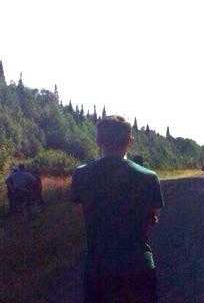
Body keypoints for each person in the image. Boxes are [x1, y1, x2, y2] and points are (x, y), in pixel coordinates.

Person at [72, 115, 164, 303]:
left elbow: (81, 212)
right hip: (138, 267)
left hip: (98, 270)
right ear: (130, 141)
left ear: (99, 141)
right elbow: (151, 220)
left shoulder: (81, 175)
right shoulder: (149, 178)